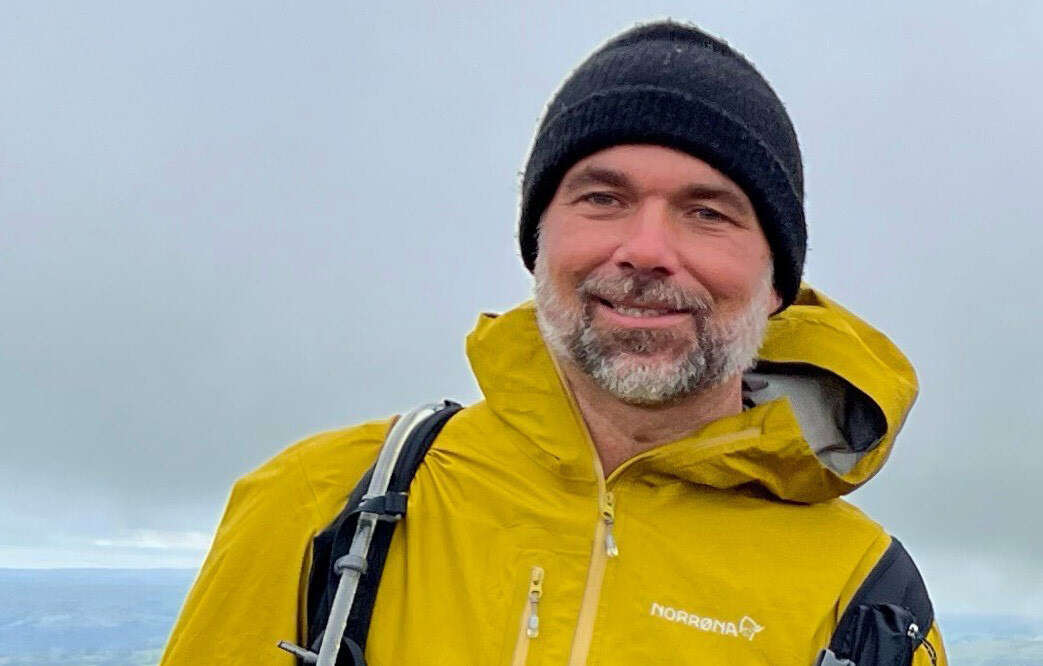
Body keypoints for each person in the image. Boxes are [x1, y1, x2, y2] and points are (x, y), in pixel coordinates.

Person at [161, 20, 946, 665]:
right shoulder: (321, 503)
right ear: (538, 244)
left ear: (776, 283)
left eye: (707, 212)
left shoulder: (863, 597)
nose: (645, 250)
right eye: (602, 198)